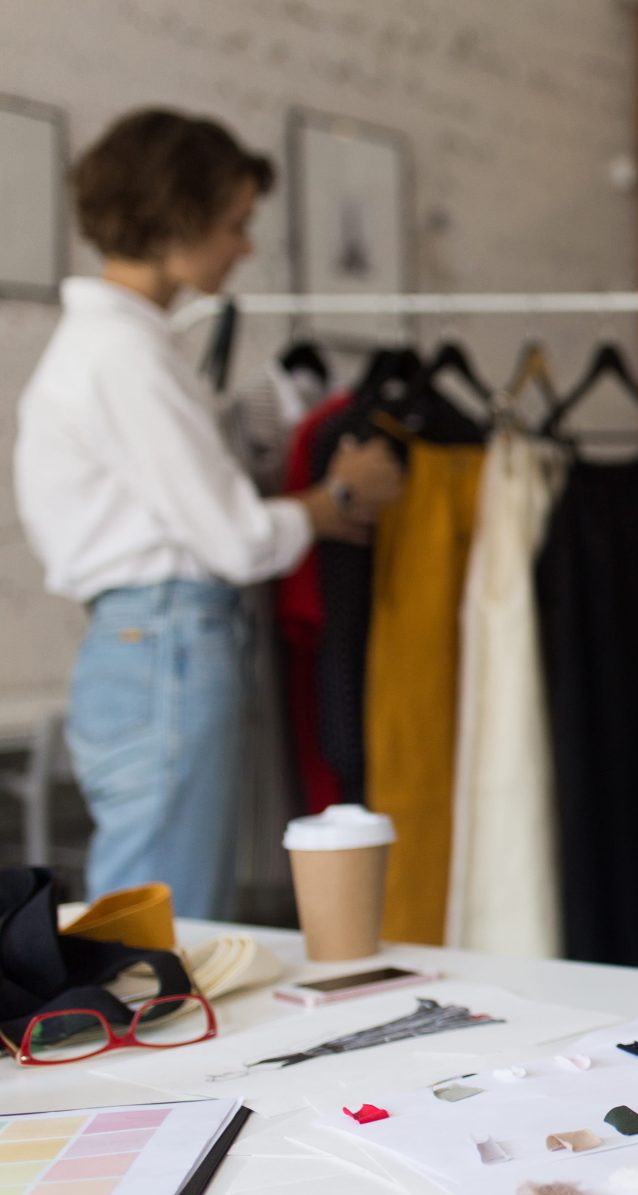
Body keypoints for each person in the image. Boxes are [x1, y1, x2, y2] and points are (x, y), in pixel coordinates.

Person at [15, 109, 404, 919]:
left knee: (160, 917)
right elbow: (234, 538)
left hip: (149, 644)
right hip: (168, 645)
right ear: (179, 216)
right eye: (235, 224)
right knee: (163, 931)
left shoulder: (117, 349)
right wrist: (335, 499)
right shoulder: (127, 357)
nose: (245, 247)